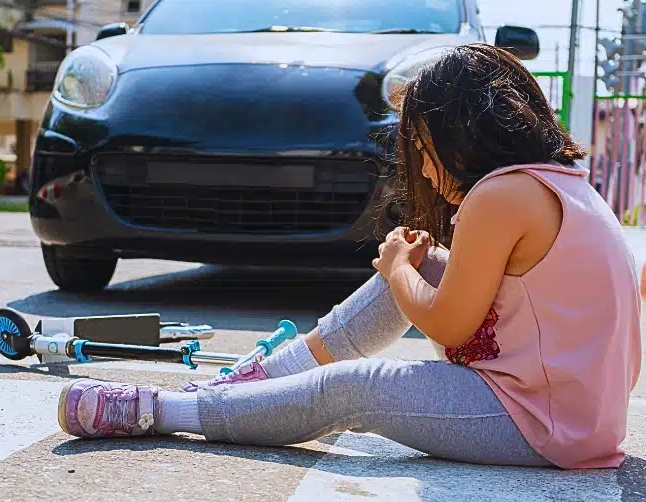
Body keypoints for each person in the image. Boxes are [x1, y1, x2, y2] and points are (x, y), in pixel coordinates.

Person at [56, 44, 642, 470]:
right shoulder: (558, 182)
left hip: (540, 423)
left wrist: (397, 268)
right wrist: (410, 268)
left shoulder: (500, 196)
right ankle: (264, 379)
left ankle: (164, 411)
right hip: (570, 410)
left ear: (458, 136)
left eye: (422, 148)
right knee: (422, 263)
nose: (425, 172)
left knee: (352, 387)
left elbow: (448, 324)